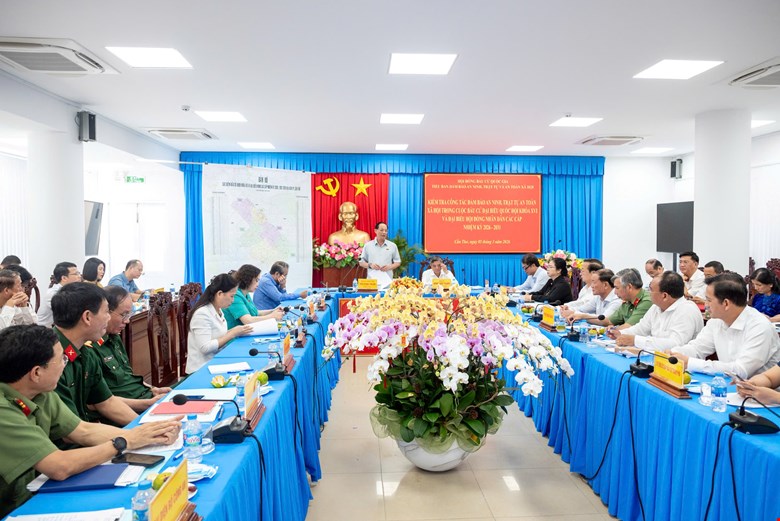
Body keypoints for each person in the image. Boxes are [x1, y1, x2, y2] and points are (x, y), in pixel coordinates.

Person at [0, 325, 181, 518]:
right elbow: (58, 466)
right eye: (61, 359)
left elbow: (83, 430)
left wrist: (146, 435)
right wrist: (124, 442)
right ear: (36, 373)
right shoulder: (4, 410)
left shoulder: (39, 392)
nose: (65, 364)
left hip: (30, 496)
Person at [51, 283, 139, 426]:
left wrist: (142, 426)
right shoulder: (51, 358)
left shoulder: (85, 352)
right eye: (106, 312)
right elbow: (71, 430)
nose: (108, 318)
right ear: (87, 317)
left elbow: (106, 402)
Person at [672, 273, 780, 378]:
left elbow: (741, 371)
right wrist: (673, 353)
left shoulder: (760, 327)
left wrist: (690, 363)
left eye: (709, 300)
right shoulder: (716, 320)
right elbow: (697, 348)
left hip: (756, 388)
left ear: (726, 303)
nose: (705, 305)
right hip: (727, 384)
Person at [92, 286, 170, 414]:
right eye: (123, 315)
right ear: (106, 312)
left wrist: (152, 389)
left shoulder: (114, 338)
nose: (127, 321)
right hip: (128, 409)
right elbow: (102, 401)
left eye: (129, 314)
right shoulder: (91, 348)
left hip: (145, 397)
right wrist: (148, 404)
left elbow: (127, 376)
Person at [611, 271, 704, 351]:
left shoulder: (687, 310)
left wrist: (635, 340)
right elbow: (641, 328)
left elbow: (675, 344)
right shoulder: (656, 307)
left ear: (664, 296)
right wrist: (620, 333)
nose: (648, 293)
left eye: (651, 290)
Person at [187, 274, 253, 374]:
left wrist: (236, 331)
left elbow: (218, 335)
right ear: (220, 294)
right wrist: (232, 334)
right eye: (232, 296)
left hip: (216, 361)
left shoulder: (218, 309)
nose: (233, 300)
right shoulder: (202, 314)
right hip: (201, 369)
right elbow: (205, 348)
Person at [224, 264, 284, 329]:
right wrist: (272, 316)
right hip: (236, 334)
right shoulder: (235, 295)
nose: (258, 284)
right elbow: (248, 320)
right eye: (256, 280)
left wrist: (273, 311)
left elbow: (255, 312)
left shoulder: (245, 294)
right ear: (248, 279)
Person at [37, 262, 81, 328]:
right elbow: (68, 313)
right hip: (45, 329)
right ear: (64, 278)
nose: (79, 276)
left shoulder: (71, 290)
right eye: (76, 274)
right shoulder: (54, 294)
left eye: (79, 273)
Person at [358, 222, 401, 288]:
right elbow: (361, 262)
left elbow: (398, 262)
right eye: (381, 230)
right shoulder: (368, 245)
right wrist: (370, 265)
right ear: (375, 231)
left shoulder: (392, 246)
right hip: (371, 283)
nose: (384, 232)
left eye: (386, 231)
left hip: (387, 282)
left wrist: (389, 267)